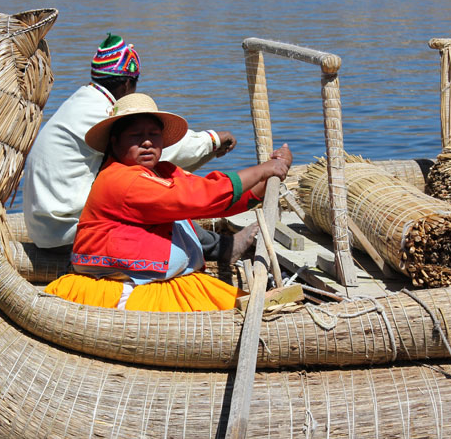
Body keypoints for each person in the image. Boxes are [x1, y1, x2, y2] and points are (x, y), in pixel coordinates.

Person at [44, 93, 292, 312]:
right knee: (242, 309)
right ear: (115, 142)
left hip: (166, 282)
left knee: (251, 305)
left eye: (153, 135)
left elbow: (216, 199)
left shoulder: (162, 172)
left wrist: (272, 177)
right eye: (136, 136)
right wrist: (263, 169)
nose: (147, 142)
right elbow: (201, 197)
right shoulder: (120, 180)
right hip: (127, 289)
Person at [23, 34, 252, 259]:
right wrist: (212, 141)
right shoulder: (100, 113)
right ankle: (222, 248)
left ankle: (213, 244)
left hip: (46, 227)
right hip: (64, 233)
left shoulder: (81, 101)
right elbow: (163, 150)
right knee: (159, 203)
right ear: (126, 85)